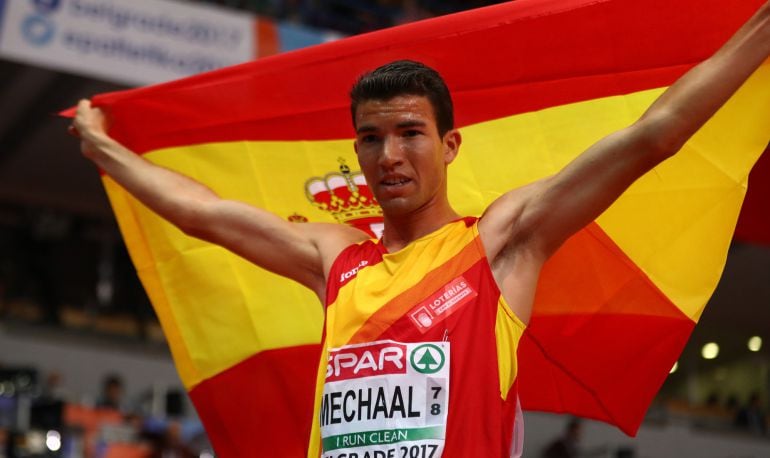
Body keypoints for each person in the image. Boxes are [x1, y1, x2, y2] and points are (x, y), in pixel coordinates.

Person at [71, 2, 770, 456]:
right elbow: (202, 212)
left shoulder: (501, 242)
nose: (390, 156)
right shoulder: (335, 256)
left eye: (410, 132)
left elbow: (656, 134)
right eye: (371, 139)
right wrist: (106, 151)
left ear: (451, 145)